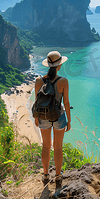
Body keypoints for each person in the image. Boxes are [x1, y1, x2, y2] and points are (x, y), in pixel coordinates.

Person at [34, 51, 71, 187]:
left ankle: (45, 175)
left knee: (45, 146)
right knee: (58, 147)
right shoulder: (63, 81)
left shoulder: (39, 81)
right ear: (59, 66)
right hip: (59, 117)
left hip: (43, 116)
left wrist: (36, 118)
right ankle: (58, 177)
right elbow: (66, 103)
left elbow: (36, 102)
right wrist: (69, 121)